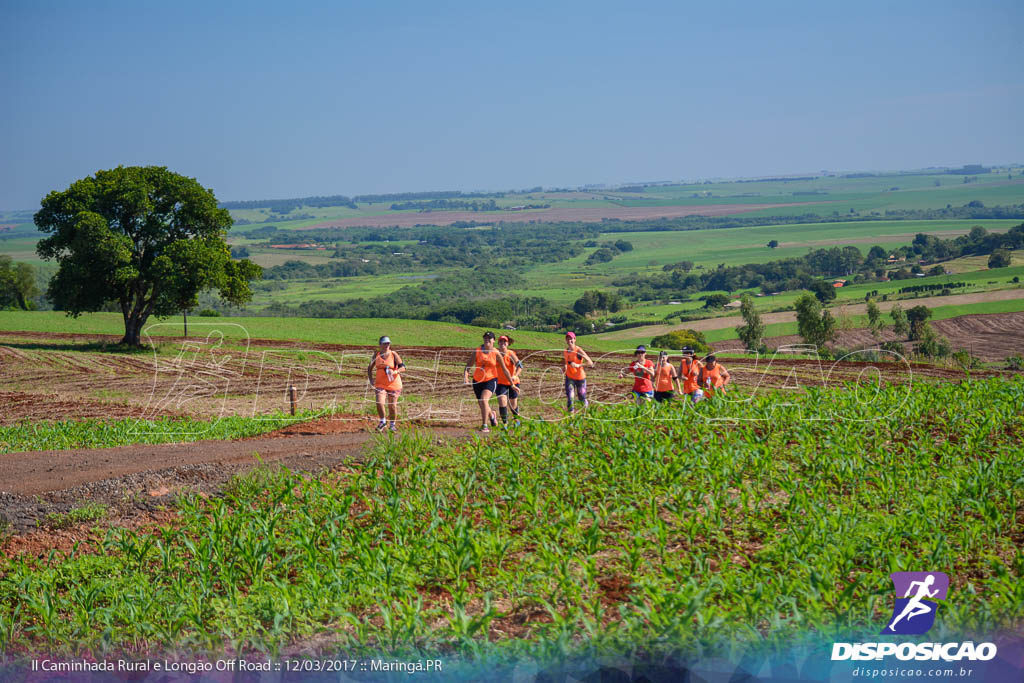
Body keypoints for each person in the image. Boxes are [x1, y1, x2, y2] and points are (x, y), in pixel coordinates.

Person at [464, 331, 510, 433]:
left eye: (489, 338)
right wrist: (466, 377)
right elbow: (468, 366)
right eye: (485, 338)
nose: (487, 340)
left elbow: (504, 369)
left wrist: (511, 383)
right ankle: (491, 415)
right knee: (482, 404)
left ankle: (485, 426)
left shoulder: (496, 353)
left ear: (493, 340)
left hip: (491, 379)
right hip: (477, 380)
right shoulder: (477, 351)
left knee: (484, 400)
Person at [366, 335, 405, 433]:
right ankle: (383, 421)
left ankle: (392, 425)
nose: (387, 345)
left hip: (394, 383)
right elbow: (369, 368)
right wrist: (371, 380)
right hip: (380, 383)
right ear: (380, 345)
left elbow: (403, 367)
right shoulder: (377, 355)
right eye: (384, 343)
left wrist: (395, 372)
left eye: (388, 343)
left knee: (392, 405)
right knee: (379, 402)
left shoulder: (393, 354)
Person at [563, 331, 594, 414]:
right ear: (566, 340)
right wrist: (565, 367)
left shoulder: (578, 350)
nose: (570, 340)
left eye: (571, 338)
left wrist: (578, 365)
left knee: (582, 398)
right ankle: (571, 421)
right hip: (569, 377)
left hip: (580, 378)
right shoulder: (565, 351)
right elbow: (566, 362)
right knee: (570, 398)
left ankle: (586, 415)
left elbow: (590, 362)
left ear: (575, 339)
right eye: (568, 338)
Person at [495, 335, 522, 425]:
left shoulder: (510, 354)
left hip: (513, 383)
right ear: (498, 343)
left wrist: (515, 375)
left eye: (504, 342)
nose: (502, 343)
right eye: (501, 342)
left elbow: (520, 366)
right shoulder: (496, 354)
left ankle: (516, 420)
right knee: (502, 402)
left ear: (507, 343)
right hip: (500, 382)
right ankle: (505, 424)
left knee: (513, 404)